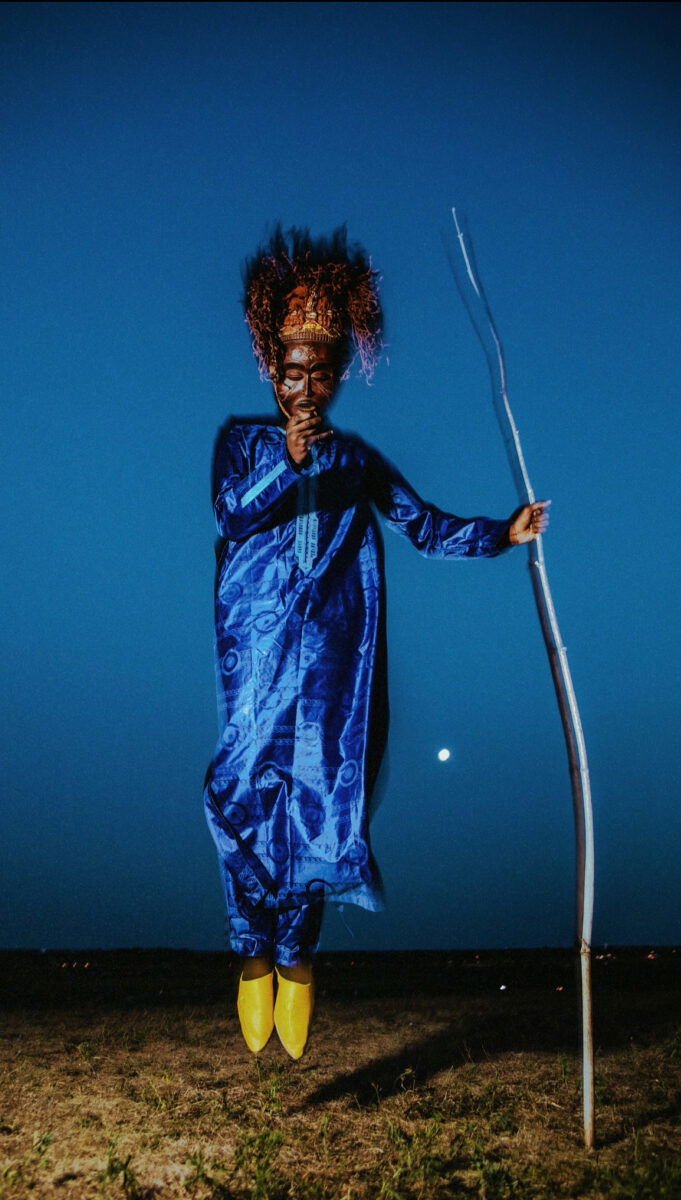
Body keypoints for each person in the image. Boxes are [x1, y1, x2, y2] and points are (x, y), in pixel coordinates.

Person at [203, 227, 549, 1060]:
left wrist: (502, 534)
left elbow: (423, 526)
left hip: (330, 669)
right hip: (255, 662)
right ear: (270, 367)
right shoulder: (243, 443)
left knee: (324, 811)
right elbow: (230, 512)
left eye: (321, 371)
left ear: (337, 375)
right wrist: (285, 463)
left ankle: (296, 953)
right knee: (238, 797)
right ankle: (251, 948)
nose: (306, 386)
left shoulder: (356, 460)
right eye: (293, 370)